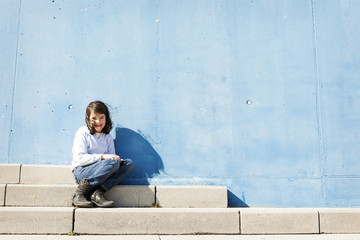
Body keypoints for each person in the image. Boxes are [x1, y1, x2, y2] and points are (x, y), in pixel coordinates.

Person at [71, 101, 134, 208]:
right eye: (94, 118)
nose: (98, 121)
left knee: (128, 164)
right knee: (112, 163)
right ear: (88, 118)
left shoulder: (107, 137)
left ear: (106, 118)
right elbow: (80, 159)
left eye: (101, 117)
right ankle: (80, 193)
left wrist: (117, 160)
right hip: (82, 172)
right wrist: (102, 156)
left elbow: (111, 164)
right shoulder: (82, 133)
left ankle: (97, 193)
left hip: (101, 173)